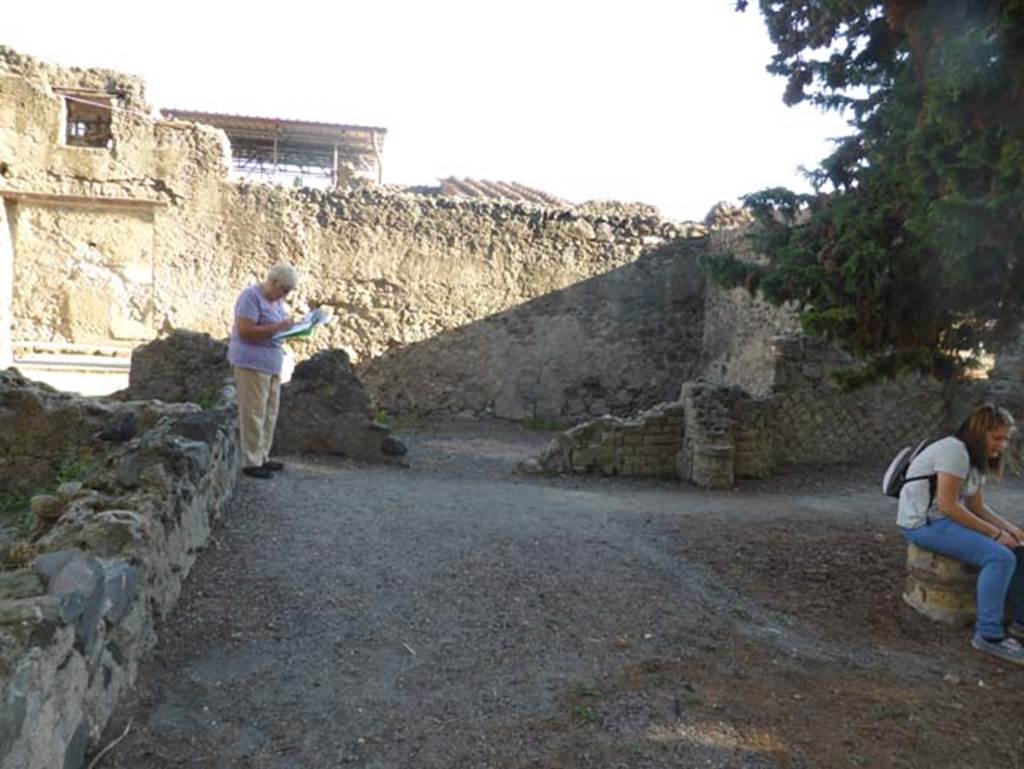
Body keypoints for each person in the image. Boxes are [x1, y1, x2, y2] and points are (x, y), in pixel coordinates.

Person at [898, 403, 1024, 665]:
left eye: (1005, 439)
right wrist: (995, 534)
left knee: (1017, 546)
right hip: (923, 523)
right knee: (1000, 558)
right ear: (980, 433)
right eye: (997, 438)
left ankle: (1020, 621)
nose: (1001, 445)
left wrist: (1009, 529)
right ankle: (988, 636)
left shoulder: (976, 458)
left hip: (944, 519)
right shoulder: (954, 451)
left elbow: (976, 506)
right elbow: (948, 505)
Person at [227, 263, 298, 479]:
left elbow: (275, 327)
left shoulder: (277, 301)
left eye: (288, 291)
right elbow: (246, 331)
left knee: (269, 411)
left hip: (271, 362)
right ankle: (251, 460)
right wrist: (279, 328)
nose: (284, 295)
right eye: (283, 289)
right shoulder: (250, 297)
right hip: (251, 362)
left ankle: (263, 455)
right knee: (253, 411)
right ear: (273, 281)